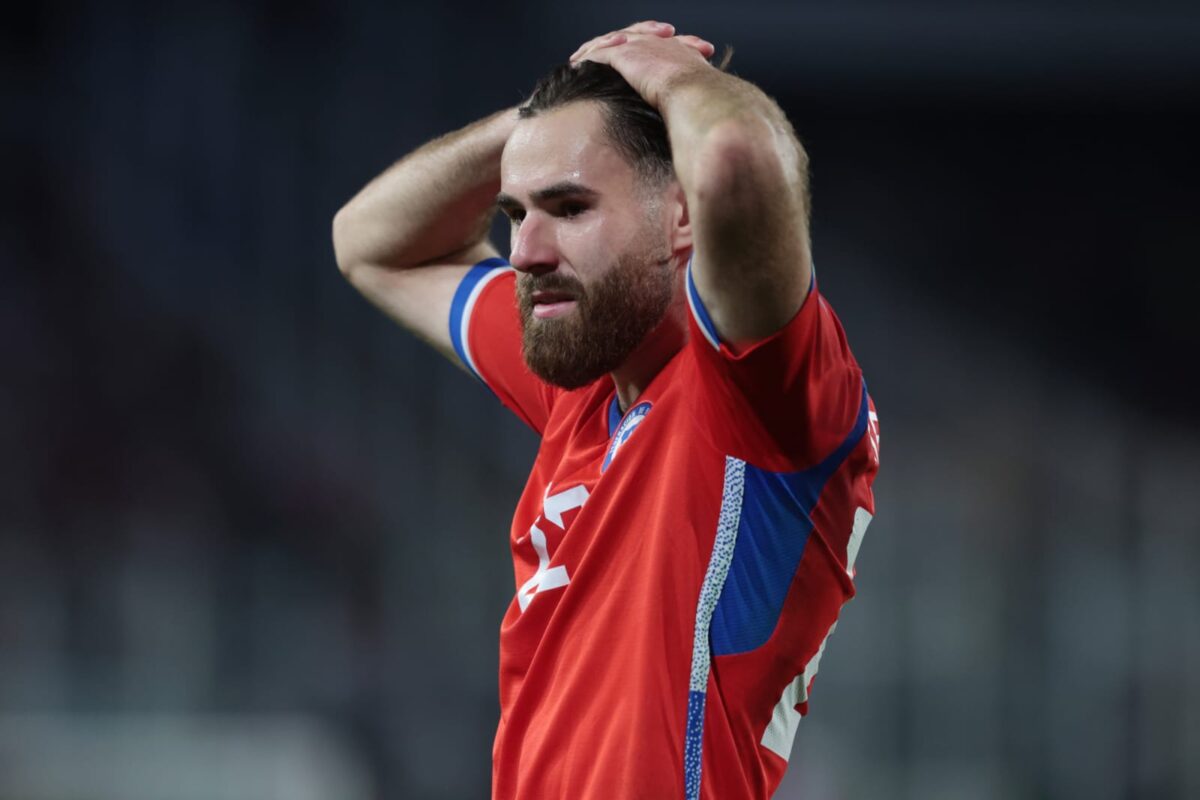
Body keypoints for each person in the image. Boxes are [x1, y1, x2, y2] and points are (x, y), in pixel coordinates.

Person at [332, 20, 880, 800]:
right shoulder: (582, 378)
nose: (526, 251)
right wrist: (536, 126)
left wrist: (669, 78)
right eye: (516, 213)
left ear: (683, 216)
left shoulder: (763, 399)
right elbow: (367, 242)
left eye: (570, 205)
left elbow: (738, 161)